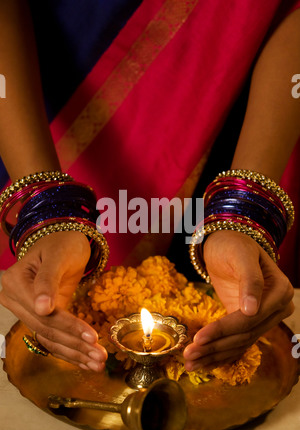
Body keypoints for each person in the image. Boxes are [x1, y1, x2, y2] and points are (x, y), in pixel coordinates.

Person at [0, 0, 299, 374]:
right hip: (43, 118)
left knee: (239, 313)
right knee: (48, 302)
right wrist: (45, 211)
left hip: (244, 117)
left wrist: (245, 211)